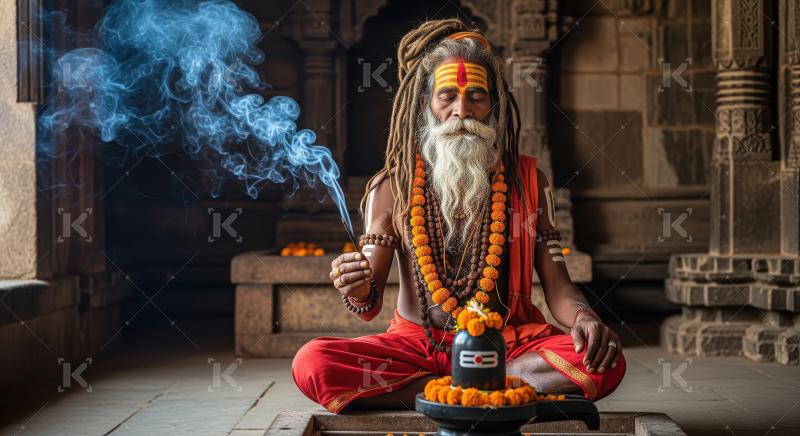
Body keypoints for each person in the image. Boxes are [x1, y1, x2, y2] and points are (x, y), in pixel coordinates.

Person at [291, 19, 625, 414]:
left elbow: (559, 291)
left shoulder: (528, 181)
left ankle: (445, 392)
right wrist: (357, 284)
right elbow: (369, 304)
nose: (461, 111)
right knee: (313, 362)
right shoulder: (392, 187)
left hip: (508, 344)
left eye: (477, 97)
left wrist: (584, 318)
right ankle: (473, 388)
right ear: (425, 105)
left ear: (494, 107)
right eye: (446, 96)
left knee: (606, 359)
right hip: (418, 347)